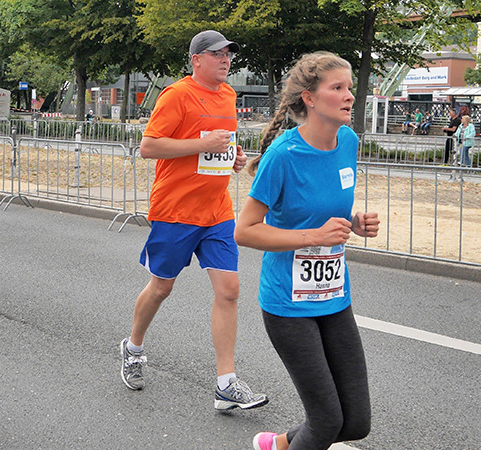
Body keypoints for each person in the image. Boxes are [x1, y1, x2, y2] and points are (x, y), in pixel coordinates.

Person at [235, 52, 379, 450]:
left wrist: (355, 223)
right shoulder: (283, 156)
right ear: (310, 98)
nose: (350, 96)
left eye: (349, 87)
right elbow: (244, 232)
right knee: (327, 420)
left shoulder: (347, 141)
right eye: (338, 88)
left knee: (356, 423)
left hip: (333, 298)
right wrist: (313, 236)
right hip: (288, 305)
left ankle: (278, 445)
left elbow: (325, 211)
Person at [119, 29, 268, 411]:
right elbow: (149, 146)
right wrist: (204, 144)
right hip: (176, 210)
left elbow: (223, 146)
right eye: (218, 54)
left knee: (230, 290)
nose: (226, 60)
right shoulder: (177, 95)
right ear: (196, 59)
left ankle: (226, 384)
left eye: (229, 54)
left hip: (217, 211)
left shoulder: (229, 95)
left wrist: (233, 157)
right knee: (161, 288)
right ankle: (133, 347)